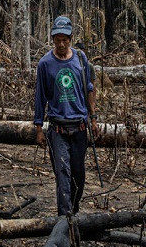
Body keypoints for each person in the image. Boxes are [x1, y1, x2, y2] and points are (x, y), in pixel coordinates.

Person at [34, 16, 100, 215]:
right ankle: (65, 219)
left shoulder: (80, 59)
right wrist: (38, 128)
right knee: (62, 174)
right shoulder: (45, 64)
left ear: (71, 38)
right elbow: (40, 97)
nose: (61, 44)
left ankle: (74, 210)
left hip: (79, 127)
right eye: (57, 40)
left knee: (78, 175)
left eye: (65, 40)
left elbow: (89, 88)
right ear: (52, 39)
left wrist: (94, 117)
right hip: (58, 129)